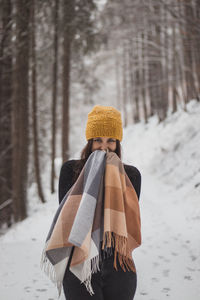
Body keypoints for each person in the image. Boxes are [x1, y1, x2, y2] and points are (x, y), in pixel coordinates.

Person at [58, 105, 141, 300]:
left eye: (111, 140)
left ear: (118, 143)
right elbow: (67, 219)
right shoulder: (70, 171)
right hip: (79, 263)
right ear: (89, 142)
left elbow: (127, 222)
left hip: (118, 264)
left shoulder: (131, 176)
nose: (104, 147)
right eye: (97, 140)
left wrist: (113, 175)